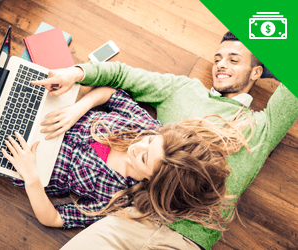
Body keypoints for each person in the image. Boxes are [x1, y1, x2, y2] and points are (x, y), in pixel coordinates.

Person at [29, 31, 298, 250]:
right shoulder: (184, 90)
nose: (221, 64)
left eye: (234, 59)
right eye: (218, 58)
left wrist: (269, 49)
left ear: (256, 73)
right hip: (134, 215)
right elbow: (124, 76)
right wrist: (77, 73)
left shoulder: (262, 126)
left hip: (186, 242)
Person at [2, 81, 251, 232]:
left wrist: (31, 177)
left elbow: (55, 218)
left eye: (144, 159)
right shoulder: (144, 125)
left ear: (150, 182)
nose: (137, 147)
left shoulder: (119, 200)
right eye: (151, 141)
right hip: (49, 113)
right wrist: (78, 108)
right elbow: (111, 94)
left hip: (23, 156)